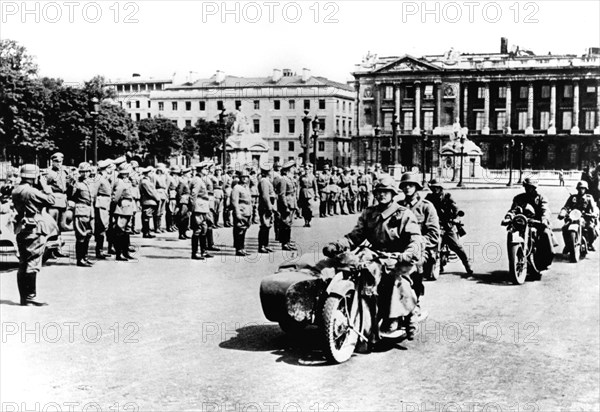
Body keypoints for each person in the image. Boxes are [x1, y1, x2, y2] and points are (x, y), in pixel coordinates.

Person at [322, 175, 424, 339]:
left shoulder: (404, 214)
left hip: (397, 257)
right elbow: (355, 236)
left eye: (385, 191)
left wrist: (408, 254)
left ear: (392, 193)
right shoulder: (369, 213)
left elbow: (416, 239)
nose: (381, 195)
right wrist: (337, 245)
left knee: (395, 280)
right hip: (375, 255)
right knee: (354, 270)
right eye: (378, 192)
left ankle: (406, 314)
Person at [12, 164, 56, 306]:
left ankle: (24, 297)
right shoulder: (31, 191)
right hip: (34, 228)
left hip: (21, 227)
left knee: (23, 262)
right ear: (34, 177)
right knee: (33, 262)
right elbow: (51, 200)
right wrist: (45, 186)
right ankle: (30, 296)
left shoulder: (16, 190)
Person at [398, 173, 440, 299]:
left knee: (415, 264)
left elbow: (433, 235)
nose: (407, 188)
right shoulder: (398, 206)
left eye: (411, 185)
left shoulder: (426, 207)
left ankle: (416, 298)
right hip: (400, 247)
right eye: (405, 185)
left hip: (421, 248)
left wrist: (417, 243)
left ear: (417, 187)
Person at [503, 177, 555, 275]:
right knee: (511, 233)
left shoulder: (541, 198)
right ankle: (513, 262)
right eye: (527, 187)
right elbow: (513, 210)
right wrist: (508, 217)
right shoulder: (519, 198)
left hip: (537, 223)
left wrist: (544, 218)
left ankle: (545, 261)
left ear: (535, 188)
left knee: (545, 234)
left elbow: (545, 210)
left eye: (530, 187)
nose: (528, 189)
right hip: (522, 223)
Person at [425, 179, 473, 275]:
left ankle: (467, 264)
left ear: (440, 188)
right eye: (433, 188)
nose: (434, 190)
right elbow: (424, 209)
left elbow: (456, 209)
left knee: (457, 246)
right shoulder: (429, 198)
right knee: (428, 244)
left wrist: (457, 218)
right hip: (435, 225)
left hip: (447, 225)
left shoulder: (447, 197)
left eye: (436, 188)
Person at [558, 180, 599, 252]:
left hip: (586, 218)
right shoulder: (573, 198)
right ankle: (568, 245)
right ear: (577, 189)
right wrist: (562, 213)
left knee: (591, 227)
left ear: (586, 189)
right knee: (565, 228)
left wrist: (594, 213)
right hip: (573, 218)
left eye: (583, 188)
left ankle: (590, 244)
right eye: (580, 188)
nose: (581, 190)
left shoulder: (589, 198)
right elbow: (566, 207)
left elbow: (594, 207)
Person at [44, 152, 69, 257]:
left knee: (60, 227)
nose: (59, 163)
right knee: (52, 226)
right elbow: (45, 186)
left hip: (63, 200)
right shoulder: (49, 173)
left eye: (61, 161)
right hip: (53, 202)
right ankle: (49, 251)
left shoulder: (64, 172)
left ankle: (57, 249)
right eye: (57, 161)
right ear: (52, 161)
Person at [70, 162, 95, 267]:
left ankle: (85, 257)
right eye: (83, 172)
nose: (85, 174)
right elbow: (71, 197)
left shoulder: (90, 183)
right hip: (80, 210)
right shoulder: (76, 184)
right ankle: (79, 259)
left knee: (88, 235)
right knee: (81, 236)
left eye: (87, 171)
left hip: (89, 210)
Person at [112, 165, 136, 261]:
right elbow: (116, 197)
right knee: (120, 230)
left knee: (126, 231)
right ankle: (119, 253)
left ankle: (125, 252)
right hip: (123, 207)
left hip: (128, 206)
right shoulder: (120, 183)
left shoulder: (127, 182)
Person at [189, 162, 212, 260]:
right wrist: (192, 208)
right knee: (198, 230)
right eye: (206, 169)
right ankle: (195, 253)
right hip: (198, 207)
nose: (207, 171)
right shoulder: (198, 180)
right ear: (201, 170)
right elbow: (194, 195)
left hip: (202, 207)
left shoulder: (200, 179)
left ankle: (203, 251)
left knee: (204, 229)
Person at [275, 160, 297, 251]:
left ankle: (287, 241)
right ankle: (284, 243)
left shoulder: (290, 178)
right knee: (285, 224)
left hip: (291, 203)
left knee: (288, 224)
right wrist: (285, 206)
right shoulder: (283, 179)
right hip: (286, 204)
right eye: (292, 168)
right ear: (288, 170)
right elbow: (282, 194)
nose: (294, 169)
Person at [93, 160, 113, 259]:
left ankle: (101, 249)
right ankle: (99, 250)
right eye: (109, 168)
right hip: (100, 204)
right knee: (100, 228)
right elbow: (94, 193)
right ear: (105, 169)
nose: (111, 170)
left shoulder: (105, 178)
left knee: (104, 227)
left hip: (105, 204)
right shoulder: (99, 178)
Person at [231, 170, 253, 256]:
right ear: (240, 178)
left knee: (243, 230)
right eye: (243, 177)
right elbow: (234, 201)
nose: (245, 179)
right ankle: (239, 249)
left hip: (247, 211)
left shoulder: (246, 187)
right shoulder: (237, 187)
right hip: (240, 210)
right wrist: (237, 213)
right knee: (239, 230)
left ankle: (242, 248)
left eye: (246, 177)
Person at [257, 163, 276, 253]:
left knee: (267, 226)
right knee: (264, 226)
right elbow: (265, 196)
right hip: (265, 206)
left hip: (268, 205)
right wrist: (269, 207)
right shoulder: (264, 181)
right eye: (270, 171)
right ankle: (262, 246)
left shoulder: (266, 180)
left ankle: (266, 244)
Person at [140, 166, 160, 238]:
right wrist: (157, 198)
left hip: (148, 201)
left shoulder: (146, 181)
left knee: (147, 217)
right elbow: (151, 192)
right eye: (151, 173)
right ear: (147, 174)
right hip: (148, 201)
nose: (152, 174)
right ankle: (146, 232)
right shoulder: (145, 182)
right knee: (146, 217)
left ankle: (147, 232)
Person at [176, 167, 192, 240]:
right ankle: (181, 233)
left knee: (186, 218)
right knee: (182, 218)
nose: (190, 174)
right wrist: (179, 202)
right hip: (183, 201)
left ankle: (184, 233)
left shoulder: (188, 181)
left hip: (187, 200)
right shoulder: (182, 182)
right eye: (189, 173)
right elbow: (179, 193)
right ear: (185, 174)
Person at [154, 163, 169, 233]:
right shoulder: (155, 176)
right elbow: (153, 187)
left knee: (161, 212)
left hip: (163, 194)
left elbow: (166, 186)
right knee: (157, 212)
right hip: (158, 193)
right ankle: (156, 227)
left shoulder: (164, 176)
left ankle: (159, 227)